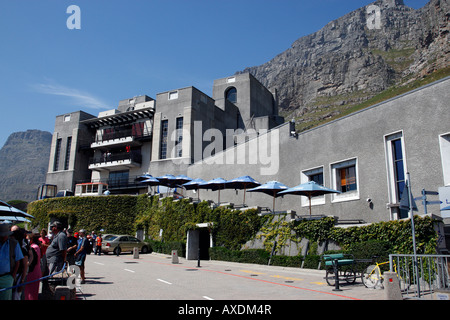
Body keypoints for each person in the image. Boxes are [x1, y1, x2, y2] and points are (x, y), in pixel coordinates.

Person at [0, 221, 24, 300]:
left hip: (7, 277)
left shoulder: (14, 243)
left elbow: (18, 261)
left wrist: (12, 276)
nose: (3, 237)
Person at [11, 226, 31, 300]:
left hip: (18, 276)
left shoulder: (22, 249)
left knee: (16, 296)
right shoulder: (12, 247)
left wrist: (22, 281)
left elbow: (25, 266)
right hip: (12, 276)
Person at [23, 233, 41, 300]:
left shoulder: (34, 247)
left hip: (33, 272)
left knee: (31, 292)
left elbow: (33, 260)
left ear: (31, 240)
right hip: (36, 271)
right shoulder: (36, 246)